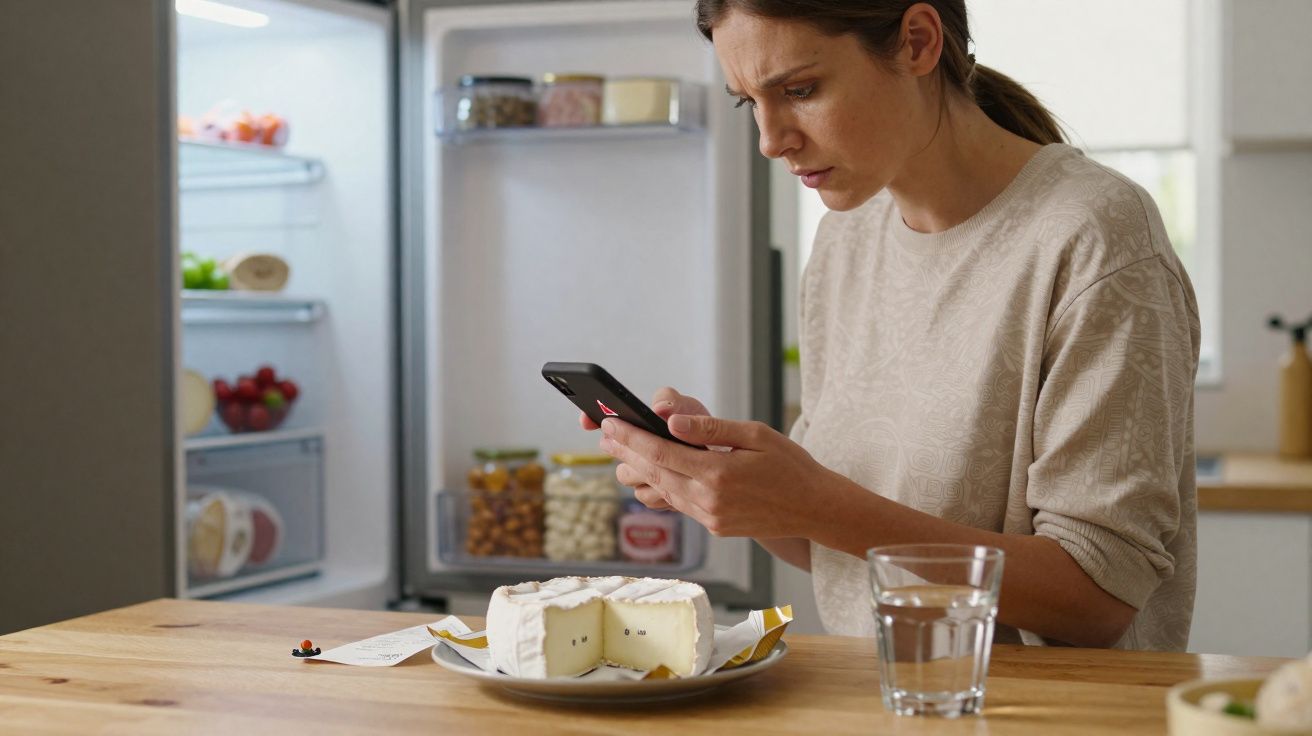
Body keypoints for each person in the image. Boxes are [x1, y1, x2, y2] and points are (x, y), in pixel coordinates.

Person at [585, 0, 1199, 650]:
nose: (771, 140)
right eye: (748, 102)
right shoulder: (844, 242)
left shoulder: (1093, 234)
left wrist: (813, 501)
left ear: (917, 42)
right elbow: (844, 548)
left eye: (798, 90)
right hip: (877, 706)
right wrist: (720, 482)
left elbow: (1097, 598)